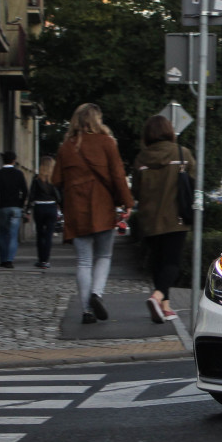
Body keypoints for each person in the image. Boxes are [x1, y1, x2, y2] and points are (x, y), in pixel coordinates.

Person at [52, 103, 134, 324]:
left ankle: (87, 310)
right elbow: (118, 175)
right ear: (97, 120)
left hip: (76, 210)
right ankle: (97, 293)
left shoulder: (66, 147)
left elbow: (56, 180)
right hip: (102, 207)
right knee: (104, 256)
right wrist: (127, 202)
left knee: (84, 261)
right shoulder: (107, 143)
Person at [132, 114, 194, 324]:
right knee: (172, 264)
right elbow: (194, 183)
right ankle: (158, 296)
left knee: (158, 263)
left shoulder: (141, 159)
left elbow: (136, 191)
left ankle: (164, 307)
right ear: (169, 130)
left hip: (149, 220)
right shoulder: (182, 153)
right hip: (175, 218)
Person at [0, 151, 29, 268]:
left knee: (2, 234)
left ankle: (2, 260)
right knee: (13, 235)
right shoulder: (19, 174)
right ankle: (9, 260)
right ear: (14, 160)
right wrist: (21, 205)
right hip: (16, 208)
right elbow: (25, 191)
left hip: (3, 207)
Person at [28, 156, 62, 268]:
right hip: (51, 207)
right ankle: (46, 260)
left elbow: (31, 195)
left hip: (39, 207)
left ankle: (40, 259)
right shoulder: (54, 180)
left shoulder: (36, 179)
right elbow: (59, 196)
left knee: (40, 234)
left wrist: (27, 209)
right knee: (48, 235)